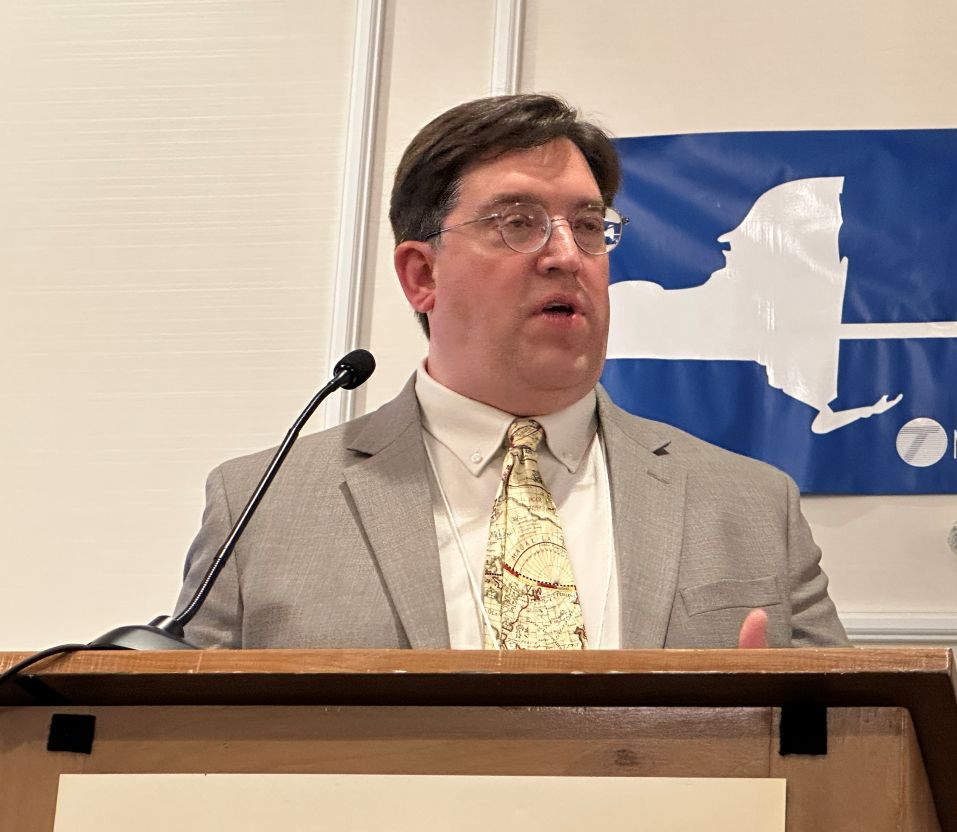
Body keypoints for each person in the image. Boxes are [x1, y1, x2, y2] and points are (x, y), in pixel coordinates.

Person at [175, 94, 849, 650]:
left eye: (589, 226)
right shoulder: (260, 506)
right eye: (518, 223)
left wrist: (772, 726)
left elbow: (854, 739)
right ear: (422, 275)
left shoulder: (752, 506)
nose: (567, 256)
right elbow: (179, 743)